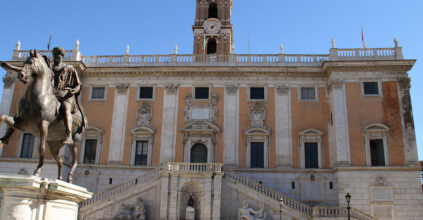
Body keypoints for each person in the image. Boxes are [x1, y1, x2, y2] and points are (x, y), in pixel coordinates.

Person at [52, 47, 87, 145]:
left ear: (61, 56)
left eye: (57, 55)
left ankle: (68, 134)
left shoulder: (70, 68)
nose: (55, 57)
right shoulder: (51, 69)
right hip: (53, 93)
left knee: (65, 108)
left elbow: (78, 84)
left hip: (66, 95)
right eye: (54, 55)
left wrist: (74, 90)